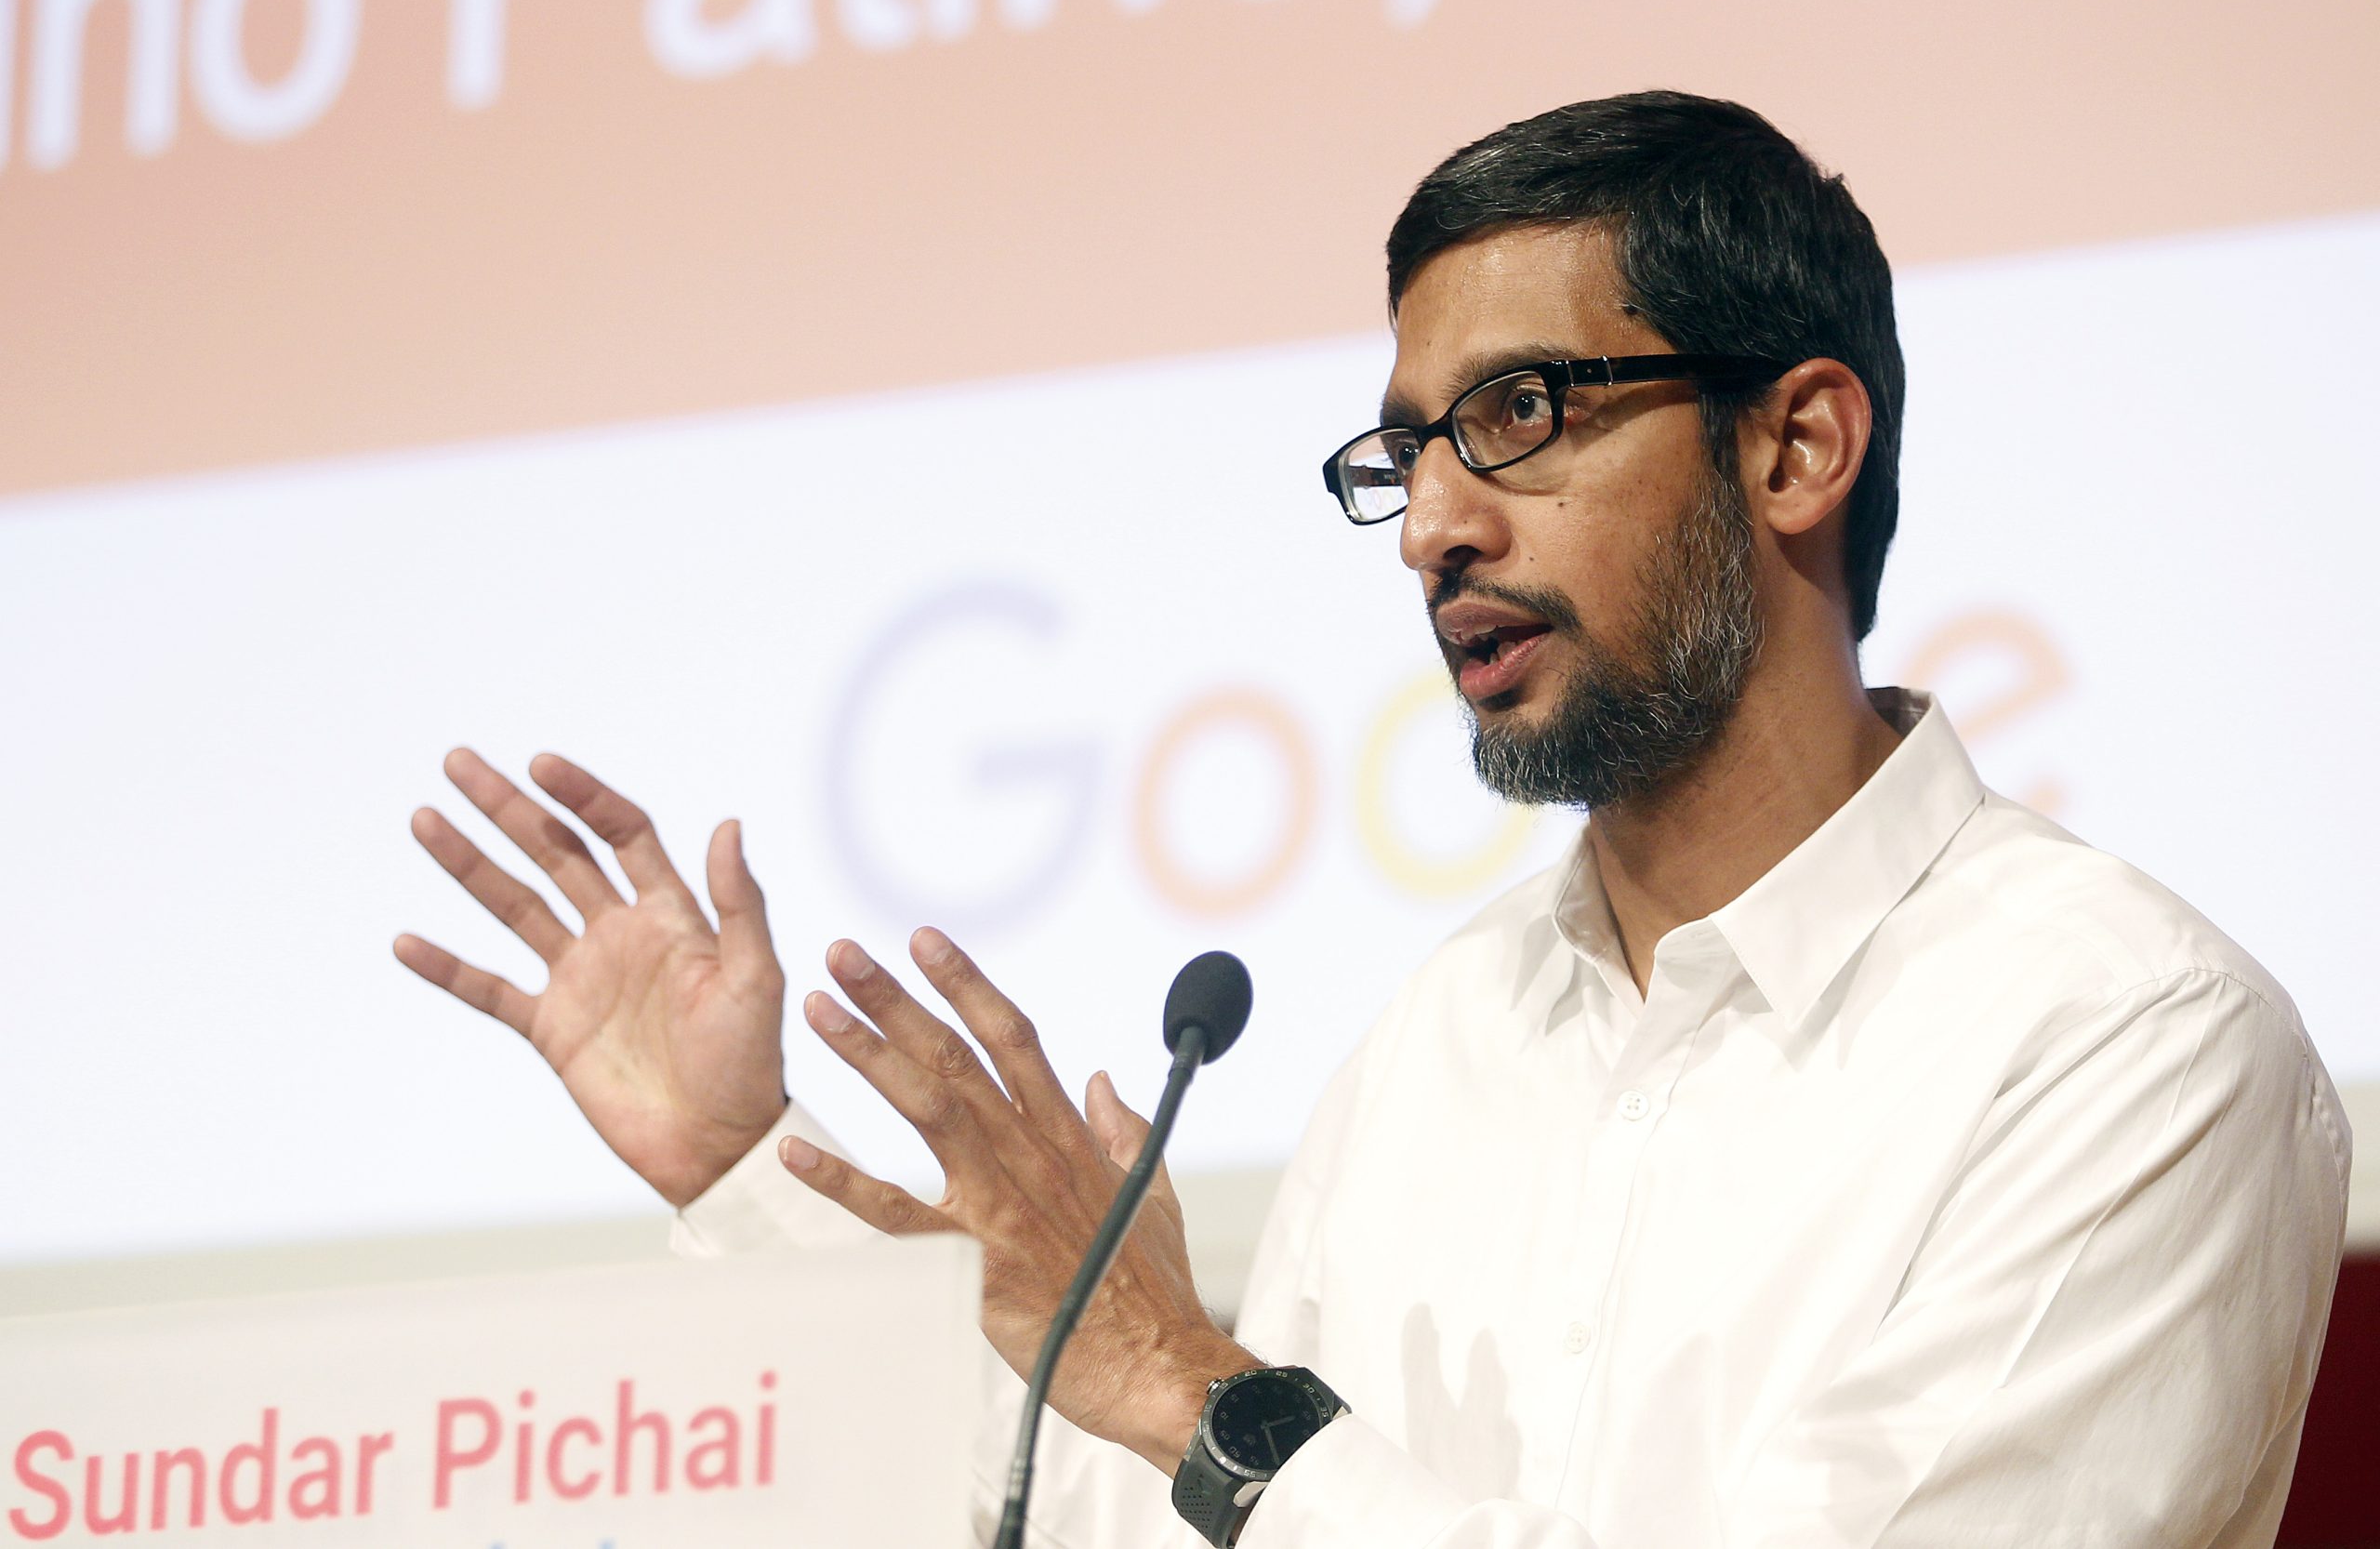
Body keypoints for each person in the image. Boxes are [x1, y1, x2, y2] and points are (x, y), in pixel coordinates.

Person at [395, 91, 2348, 1547]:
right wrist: (751, 1178)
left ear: (1792, 441)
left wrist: (1208, 1393)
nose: (1431, 527)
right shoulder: (1441, 1040)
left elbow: (1233, 1445)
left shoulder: (2124, 1040)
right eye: (1400, 454)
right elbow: (1163, 1505)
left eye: (1517, 417)